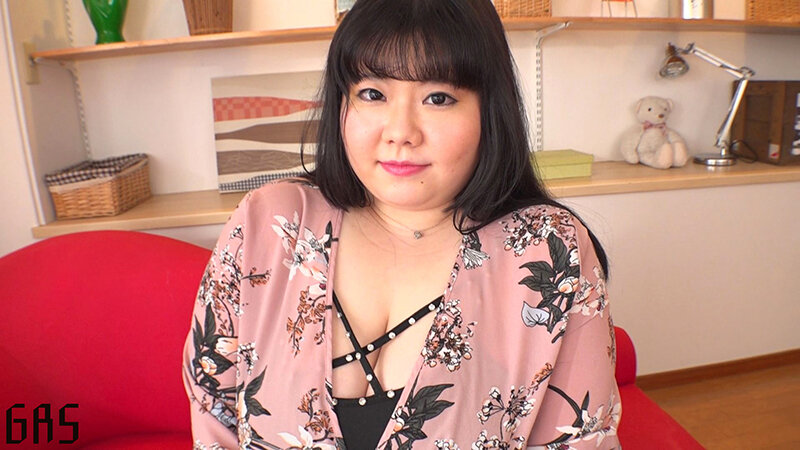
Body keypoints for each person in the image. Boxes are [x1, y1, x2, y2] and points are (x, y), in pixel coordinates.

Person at [182, 0, 620, 448]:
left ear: (489, 110)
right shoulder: (269, 223)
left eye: (438, 98)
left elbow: (582, 438)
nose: (400, 132)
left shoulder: (548, 250)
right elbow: (213, 411)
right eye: (373, 94)